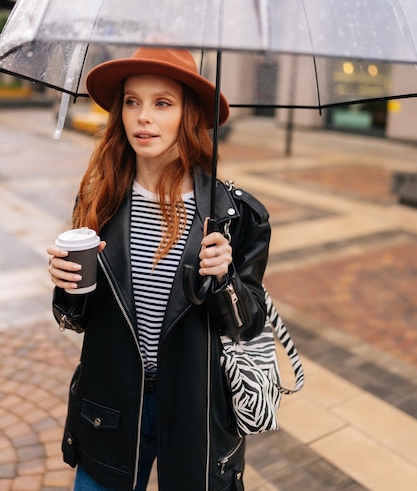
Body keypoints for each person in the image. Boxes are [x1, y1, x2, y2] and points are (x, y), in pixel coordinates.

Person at [47, 47, 271, 491]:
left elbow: (248, 326)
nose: (142, 117)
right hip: (108, 409)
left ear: (189, 115)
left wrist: (224, 278)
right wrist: (66, 286)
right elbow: (75, 319)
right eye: (132, 101)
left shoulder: (234, 214)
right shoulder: (100, 198)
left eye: (162, 103)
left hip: (196, 416)